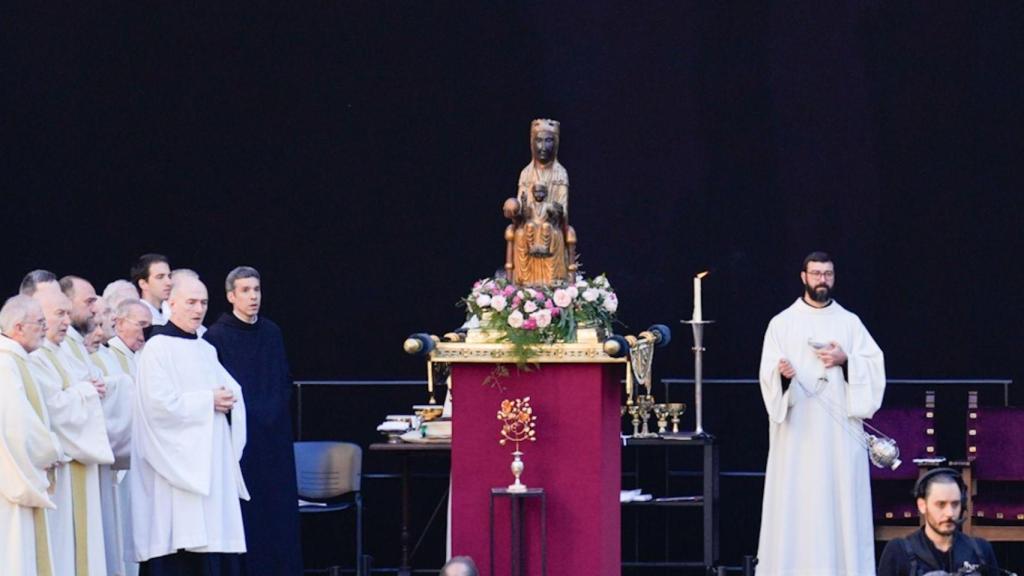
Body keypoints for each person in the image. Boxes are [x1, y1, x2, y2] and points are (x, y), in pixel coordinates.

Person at [755, 251, 886, 576]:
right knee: (797, 506)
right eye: (816, 274)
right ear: (803, 277)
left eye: (827, 274)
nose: (822, 280)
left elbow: (874, 367)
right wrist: (782, 376)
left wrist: (846, 360)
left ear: (834, 277)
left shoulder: (850, 323)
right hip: (797, 437)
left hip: (839, 438)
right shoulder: (782, 324)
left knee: (840, 506)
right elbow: (768, 377)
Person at [130, 275, 249, 575]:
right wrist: (206, 401)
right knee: (181, 547)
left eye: (204, 303)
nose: (198, 309)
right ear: (171, 304)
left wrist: (228, 400)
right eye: (191, 302)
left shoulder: (205, 349)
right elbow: (157, 406)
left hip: (210, 465)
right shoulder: (157, 349)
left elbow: (231, 391)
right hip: (177, 470)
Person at [204, 266, 301, 575]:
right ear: (231, 296)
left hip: (275, 438)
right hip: (241, 441)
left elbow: (282, 377)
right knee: (248, 512)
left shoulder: (272, 331)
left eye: (256, 290)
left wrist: (275, 410)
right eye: (245, 290)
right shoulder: (216, 336)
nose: (253, 296)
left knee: (279, 510)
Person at [30, 287, 114, 575]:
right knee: (62, 549)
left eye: (68, 313)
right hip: (59, 472)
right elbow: (51, 407)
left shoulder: (63, 352)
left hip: (78, 465)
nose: (67, 321)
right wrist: (87, 392)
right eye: (59, 314)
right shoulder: (36, 356)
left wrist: (92, 388)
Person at [0, 295, 64, 576]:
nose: (44, 328)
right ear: (17, 327)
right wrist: (50, 451)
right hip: (12, 480)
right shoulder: (6, 363)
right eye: (39, 322)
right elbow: (17, 425)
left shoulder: (20, 361)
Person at [878, 469, 1000, 576]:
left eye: (955, 504)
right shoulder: (899, 551)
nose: (950, 513)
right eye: (941, 505)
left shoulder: (980, 550)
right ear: (922, 505)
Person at [502, 118, 576, 286]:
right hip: (529, 223)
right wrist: (513, 207)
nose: (543, 147)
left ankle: (553, 283)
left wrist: (554, 210)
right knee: (520, 234)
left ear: (556, 143)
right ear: (532, 142)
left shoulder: (560, 174)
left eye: (548, 141)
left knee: (552, 234)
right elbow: (521, 205)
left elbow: (563, 211)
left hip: (551, 226)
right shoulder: (526, 173)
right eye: (539, 140)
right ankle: (522, 284)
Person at [130, 254, 172, 326]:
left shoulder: (171, 312)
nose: (169, 282)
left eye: (169, 276)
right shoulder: (136, 318)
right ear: (143, 284)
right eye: (160, 277)